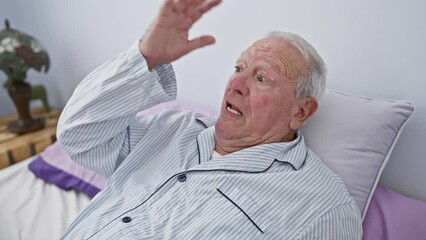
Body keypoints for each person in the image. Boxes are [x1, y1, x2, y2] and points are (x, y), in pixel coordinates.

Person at [57, 0, 362, 239]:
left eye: (261, 78)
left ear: (301, 111)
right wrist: (147, 57)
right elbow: (79, 137)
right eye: (239, 68)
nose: (236, 84)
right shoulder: (173, 127)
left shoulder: (324, 208)